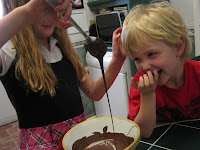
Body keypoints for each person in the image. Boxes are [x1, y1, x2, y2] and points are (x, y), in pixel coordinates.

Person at [0, 0, 127, 149]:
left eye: (52, 6)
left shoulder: (64, 49)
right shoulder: (8, 51)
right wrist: (25, 14)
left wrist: (118, 60)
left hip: (78, 137)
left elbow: (94, 92)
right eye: (40, 6)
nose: (47, 12)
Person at [121, 1, 200, 138]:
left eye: (151, 54)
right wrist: (148, 95)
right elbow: (143, 132)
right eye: (137, 59)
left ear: (178, 47)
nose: (144, 67)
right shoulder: (141, 86)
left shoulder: (197, 74)